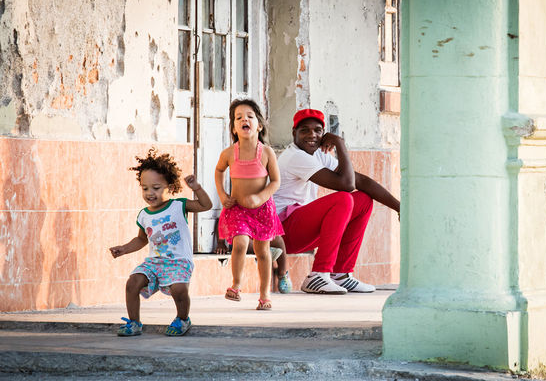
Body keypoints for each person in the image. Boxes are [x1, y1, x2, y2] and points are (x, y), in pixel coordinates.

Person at [273, 109, 400, 294]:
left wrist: (399, 208)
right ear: (294, 133)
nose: (312, 135)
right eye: (304, 130)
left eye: (317, 130)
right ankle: (319, 274)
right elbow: (346, 185)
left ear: (324, 134)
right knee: (342, 199)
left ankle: (340, 274)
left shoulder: (318, 155)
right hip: (283, 233)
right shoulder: (295, 156)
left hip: (302, 230)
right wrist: (340, 144)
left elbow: (360, 182)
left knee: (363, 200)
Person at [109, 148, 212, 336]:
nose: (150, 193)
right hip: (154, 262)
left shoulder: (178, 205)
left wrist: (197, 188)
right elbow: (141, 239)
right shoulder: (144, 215)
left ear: (170, 186)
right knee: (133, 283)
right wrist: (124, 248)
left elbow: (206, 205)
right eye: (145, 188)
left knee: (179, 290)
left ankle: (182, 319)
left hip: (179, 261)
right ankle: (134, 322)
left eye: (156, 188)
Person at [215, 99, 284, 310]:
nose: (244, 119)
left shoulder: (266, 153)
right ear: (234, 128)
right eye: (238, 117)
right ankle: (236, 285)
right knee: (240, 243)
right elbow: (218, 171)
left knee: (262, 251)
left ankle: (265, 295)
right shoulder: (229, 153)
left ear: (259, 125)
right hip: (237, 208)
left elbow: (275, 181)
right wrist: (222, 195)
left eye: (250, 116)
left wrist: (260, 197)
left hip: (262, 209)